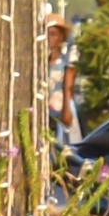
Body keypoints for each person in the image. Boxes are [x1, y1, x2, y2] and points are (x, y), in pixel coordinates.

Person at [43, 17, 80, 146]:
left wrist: (66, 109)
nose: (48, 38)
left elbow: (68, 89)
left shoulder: (65, 64)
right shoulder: (41, 65)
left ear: (60, 38)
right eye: (46, 34)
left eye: (53, 34)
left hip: (62, 110)